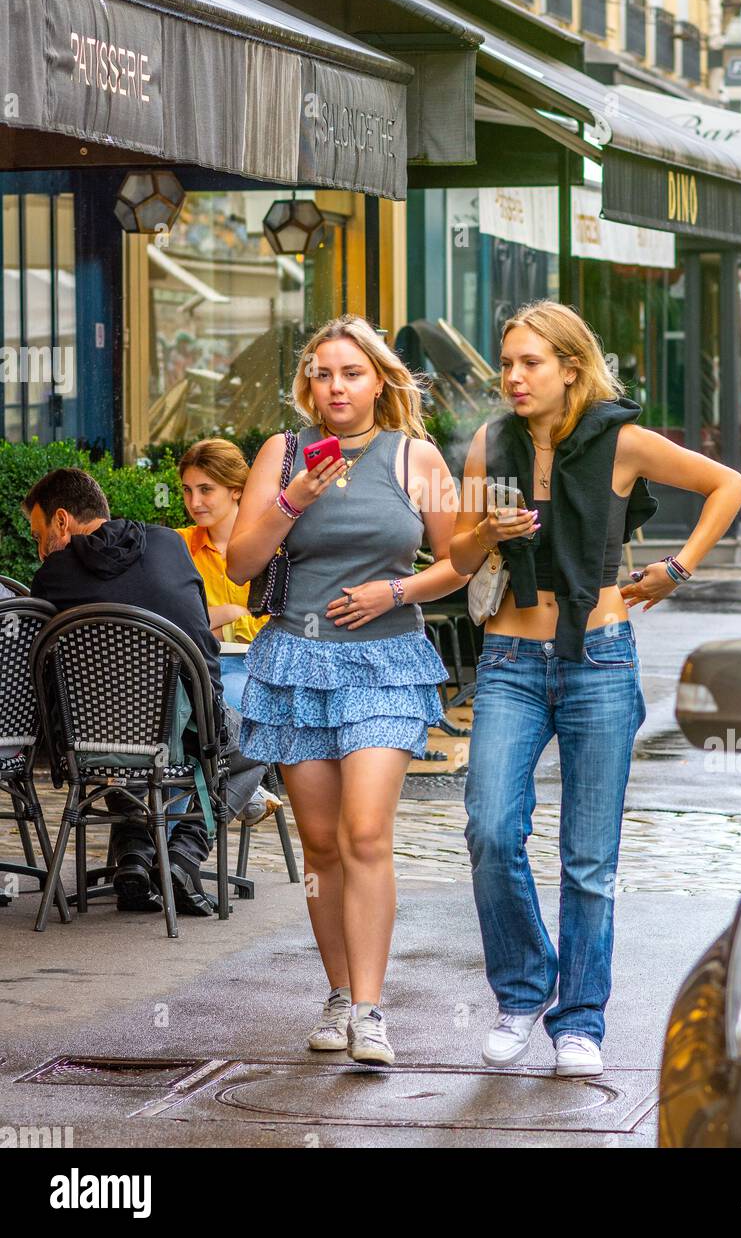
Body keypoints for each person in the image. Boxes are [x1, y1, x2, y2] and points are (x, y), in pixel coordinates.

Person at [449, 301, 741, 1079]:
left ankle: (578, 1021)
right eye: (506, 362)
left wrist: (677, 569)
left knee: (589, 859)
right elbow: (451, 550)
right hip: (513, 661)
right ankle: (521, 993)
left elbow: (728, 484)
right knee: (488, 829)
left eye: (529, 363)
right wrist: (487, 533)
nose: (512, 377)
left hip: (600, 661)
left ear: (570, 368)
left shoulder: (620, 439)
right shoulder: (491, 443)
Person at [226, 314, 466, 1065]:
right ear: (308, 384)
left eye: (352, 372)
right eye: (324, 373)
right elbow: (239, 562)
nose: (336, 386)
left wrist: (393, 591)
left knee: (366, 832)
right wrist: (293, 497)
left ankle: (370, 1010)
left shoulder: (414, 456)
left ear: (378, 381)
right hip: (296, 661)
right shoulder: (283, 452)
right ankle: (336, 996)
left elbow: (460, 562)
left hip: (387, 661)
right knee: (323, 845)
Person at [23, 468, 265, 916]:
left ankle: (135, 852)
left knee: (118, 740)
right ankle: (183, 856)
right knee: (260, 731)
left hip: (86, 744)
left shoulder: (52, 578)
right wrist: (211, 717)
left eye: (40, 535)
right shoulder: (168, 545)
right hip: (175, 730)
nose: (40, 549)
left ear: (61, 521)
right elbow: (200, 639)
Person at [175, 438, 279, 827]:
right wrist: (232, 611)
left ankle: (179, 850)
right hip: (192, 666)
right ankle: (245, 789)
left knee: (226, 709)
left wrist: (212, 619)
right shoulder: (178, 544)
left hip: (252, 667)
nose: (194, 501)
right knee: (165, 721)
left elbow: (270, 623)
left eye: (206, 490)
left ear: (237, 490)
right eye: (187, 490)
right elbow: (172, 615)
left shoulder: (268, 545)